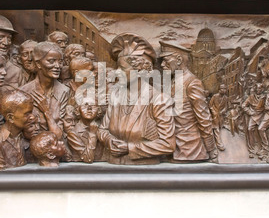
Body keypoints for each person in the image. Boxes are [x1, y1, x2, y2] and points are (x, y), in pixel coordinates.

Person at [98, 33, 175, 165]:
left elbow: (168, 144)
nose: (116, 72)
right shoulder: (116, 95)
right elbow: (102, 130)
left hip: (145, 171)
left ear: (140, 71)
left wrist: (129, 148)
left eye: (122, 68)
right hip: (113, 169)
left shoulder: (159, 100)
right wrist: (109, 140)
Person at [159, 41, 216, 162]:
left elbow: (204, 118)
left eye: (166, 60)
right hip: (171, 148)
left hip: (190, 149)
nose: (162, 65)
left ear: (178, 60)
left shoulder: (192, 83)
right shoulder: (172, 82)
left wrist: (211, 149)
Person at [20, 41, 69, 140]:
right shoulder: (24, 92)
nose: (57, 66)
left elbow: (58, 136)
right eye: (51, 61)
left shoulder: (64, 91)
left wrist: (46, 112)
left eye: (60, 62)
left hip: (55, 146)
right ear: (38, 64)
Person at [0, 90, 34, 170]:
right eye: (27, 114)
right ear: (10, 118)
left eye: (31, 112)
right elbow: (1, 178)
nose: (32, 117)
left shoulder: (25, 137)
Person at [67, 97, 106, 163]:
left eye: (93, 105)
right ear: (78, 109)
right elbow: (88, 158)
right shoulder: (73, 133)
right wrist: (92, 134)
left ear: (99, 110)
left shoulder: (104, 127)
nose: (89, 108)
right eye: (85, 105)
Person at [241, 83, 266, 158]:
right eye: (257, 88)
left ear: (262, 89)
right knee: (249, 129)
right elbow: (243, 105)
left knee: (261, 130)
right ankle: (251, 150)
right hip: (253, 115)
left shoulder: (265, 97)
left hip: (262, 115)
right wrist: (249, 111)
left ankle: (264, 149)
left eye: (259, 88)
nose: (258, 90)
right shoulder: (251, 97)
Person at [209, 84, 229, 152]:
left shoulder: (226, 98)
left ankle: (213, 143)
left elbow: (226, 107)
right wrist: (213, 112)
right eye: (222, 89)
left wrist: (223, 111)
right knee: (216, 129)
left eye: (225, 89)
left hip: (221, 116)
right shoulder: (215, 96)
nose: (224, 90)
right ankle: (219, 144)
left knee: (217, 129)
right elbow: (210, 105)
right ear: (219, 89)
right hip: (214, 116)